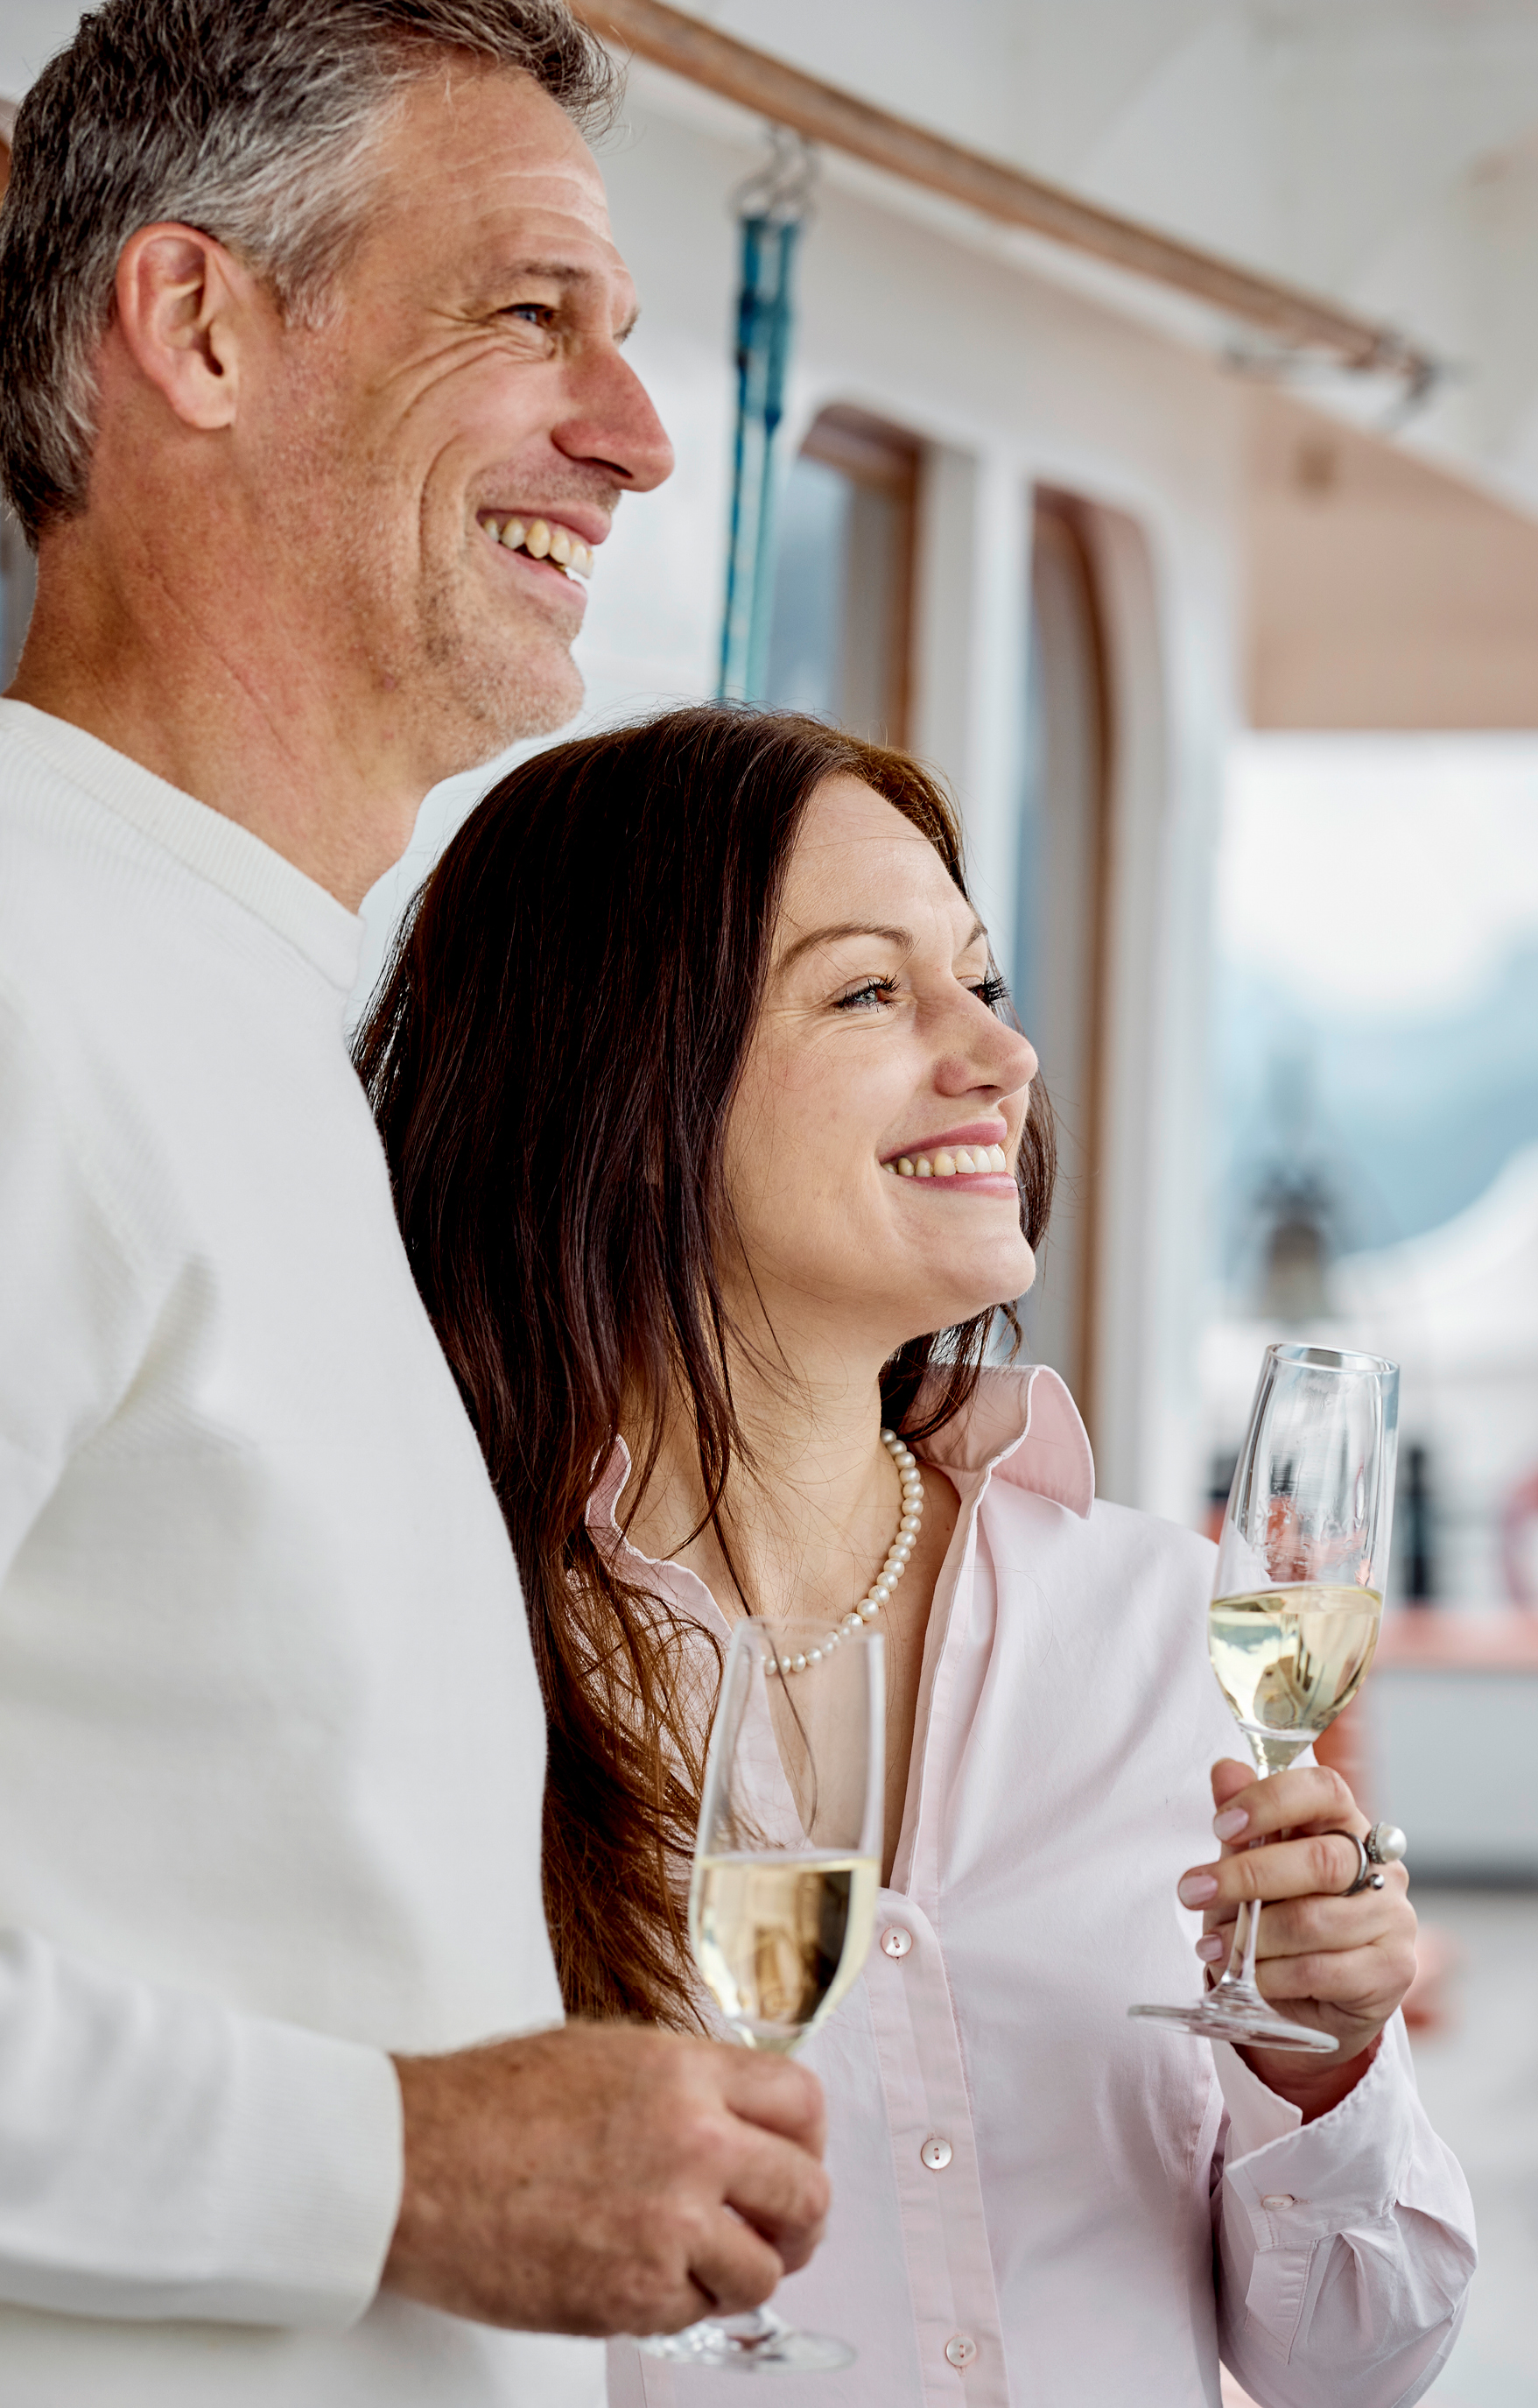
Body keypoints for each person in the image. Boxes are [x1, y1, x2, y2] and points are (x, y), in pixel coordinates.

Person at [0, 7, 830, 2401]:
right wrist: (397, 2169)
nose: (640, 433)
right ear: (197, 326)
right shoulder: (34, 974)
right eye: (529, 311)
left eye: (627, 336)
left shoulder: (248, 1004)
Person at [359, 706, 1478, 2405]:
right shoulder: (439, 1644)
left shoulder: (1162, 1630)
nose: (1001, 1055)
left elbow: (1358, 2363)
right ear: (629, 1095)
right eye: (871, 993)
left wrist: (1321, 2071)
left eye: (984, 982)